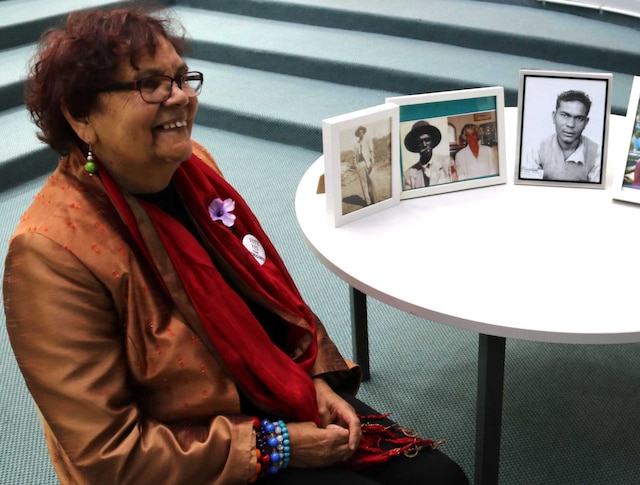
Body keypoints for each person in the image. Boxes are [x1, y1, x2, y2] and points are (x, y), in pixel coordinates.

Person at [2, 8, 469, 485]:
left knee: (440, 479)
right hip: (185, 453)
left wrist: (316, 381)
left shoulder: (195, 169)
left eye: (182, 79)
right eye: (149, 84)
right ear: (80, 116)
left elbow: (268, 302)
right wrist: (278, 445)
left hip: (269, 389)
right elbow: (108, 456)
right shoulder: (49, 255)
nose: (180, 98)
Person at [522, 89, 601, 183]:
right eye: (565, 115)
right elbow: (527, 187)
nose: (571, 124)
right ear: (554, 117)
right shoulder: (538, 149)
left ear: (586, 123)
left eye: (579, 118)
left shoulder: (597, 153)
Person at [402, 120, 453, 189]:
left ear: (432, 141)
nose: (424, 144)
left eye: (427, 140)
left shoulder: (447, 162)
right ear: (416, 146)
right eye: (420, 142)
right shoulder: (409, 174)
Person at [352, 125, 376, 205]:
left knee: (372, 182)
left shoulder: (368, 139)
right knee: (364, 184)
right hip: (360, 165)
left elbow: (371, 150)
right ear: (358, 134)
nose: (360, 133)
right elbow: (354, 156)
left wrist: (372, 161)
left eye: (362, 132)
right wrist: (356, 165)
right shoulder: (356, 144)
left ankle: (376, 200)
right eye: (359, 133)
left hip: (368, 163)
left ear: (363, 132)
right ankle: (368, 203)